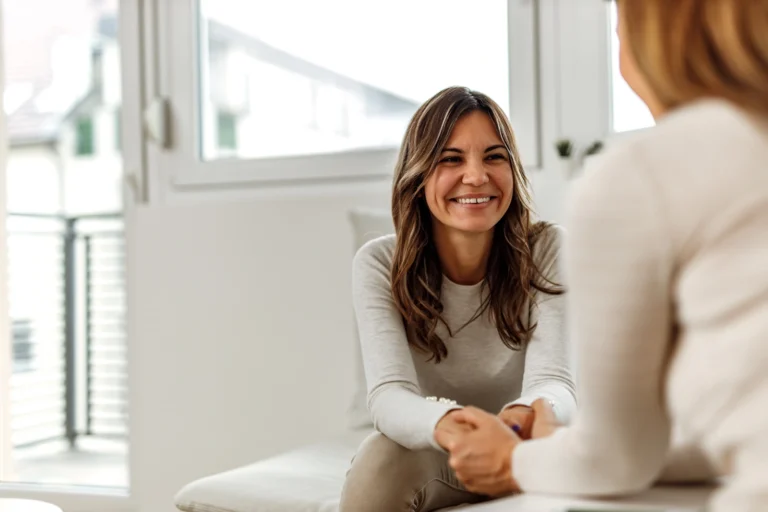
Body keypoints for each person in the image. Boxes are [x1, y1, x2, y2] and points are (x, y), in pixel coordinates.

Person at [439, 1, 768, 511]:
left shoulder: (644, 175)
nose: (475, 177)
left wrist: (512, 461)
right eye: (451, 160)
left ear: (653, 37)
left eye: (618, 28)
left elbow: (617, 457)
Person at [338, 86, 577, 512]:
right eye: (451, 159)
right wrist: (451, 426)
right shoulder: (378, 263)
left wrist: (517, 421)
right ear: (419, 173)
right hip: (441, 448)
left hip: (527, 446)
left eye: (493, 156)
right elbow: (389, 395)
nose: (476, 176)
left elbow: (554, 382)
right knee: (380, 458)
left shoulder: (546, 249)